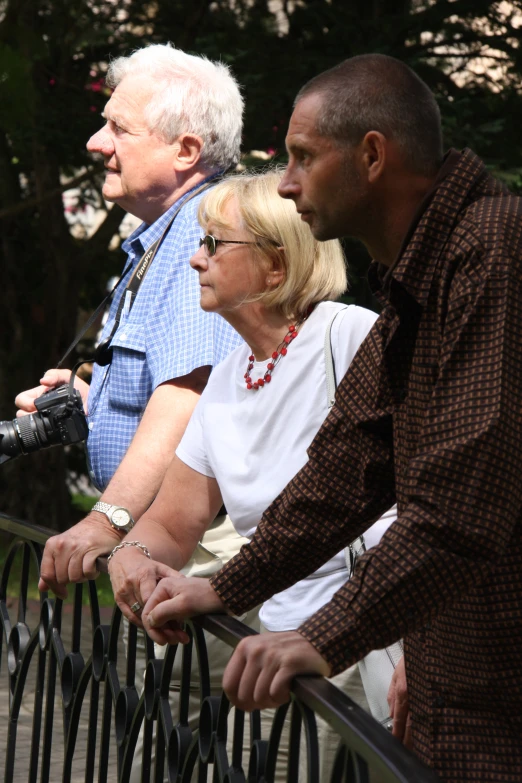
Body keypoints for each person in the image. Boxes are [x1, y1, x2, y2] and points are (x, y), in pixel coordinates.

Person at [140, 54, 522, 783]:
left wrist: (323, 634)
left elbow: (461, 506)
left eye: (302, 158)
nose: (286, 183)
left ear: (372, 156)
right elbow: (346, 468)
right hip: (460, 683)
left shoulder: (493, 250)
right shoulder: (425, 273)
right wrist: (227, 586)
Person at [106, 169, 395, 778]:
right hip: (277, 650)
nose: (194, 259)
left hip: (368, 647)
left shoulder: (351, 337)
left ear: (276, 264)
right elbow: (175, 518)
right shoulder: (232, 372)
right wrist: (129, 553)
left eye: (214, 242)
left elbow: (425, 503)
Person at [14, 44, 246, 593]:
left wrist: (105, 520)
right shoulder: (166, 234)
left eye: (119, 128)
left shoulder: (200, 229)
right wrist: (96, 401)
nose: (96, 143)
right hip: (177, 547)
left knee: (179, 686)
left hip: (200, 550)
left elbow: (189, 395)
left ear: (186, 149)